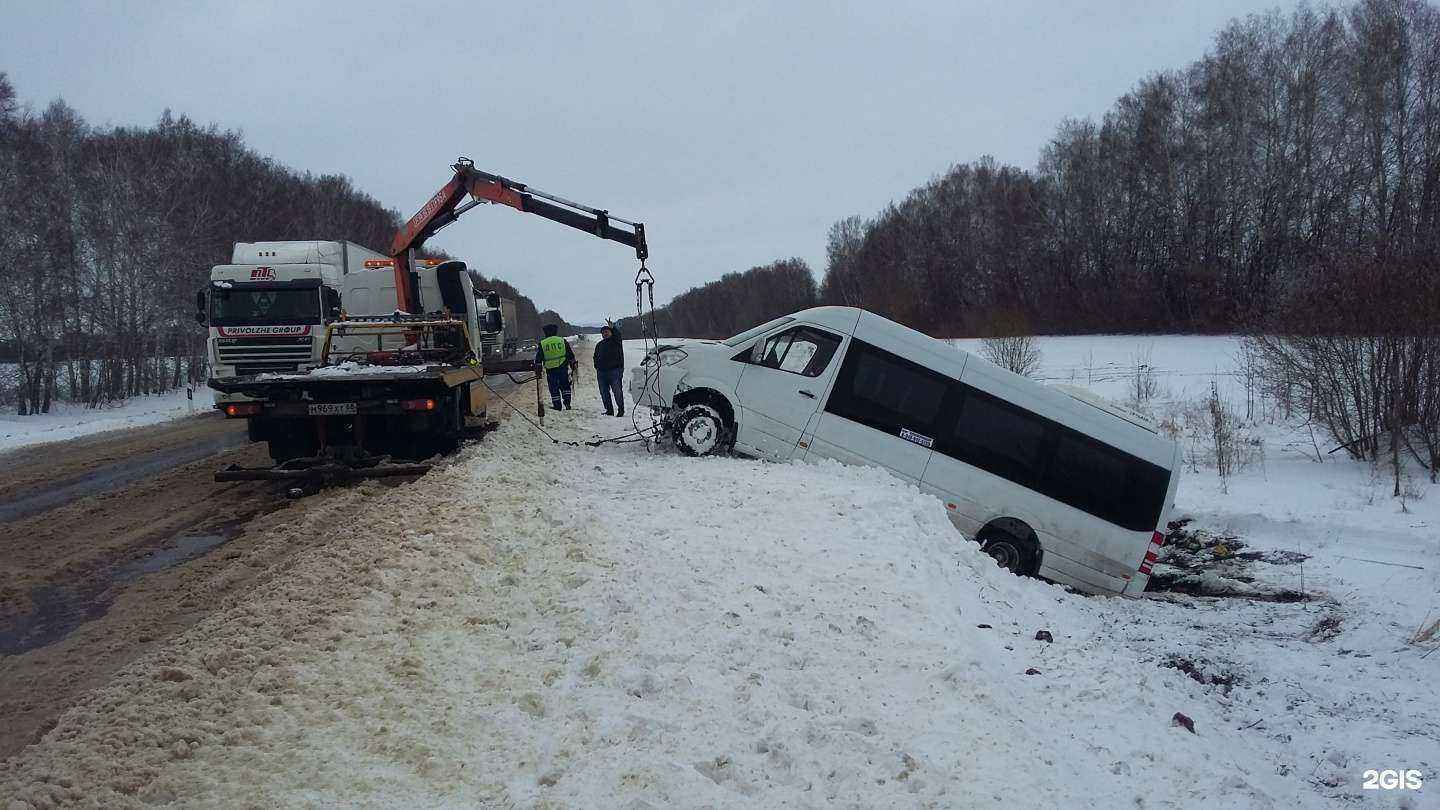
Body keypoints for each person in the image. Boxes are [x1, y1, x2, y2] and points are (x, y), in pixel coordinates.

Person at [534, 324, 578, 410]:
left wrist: (538, 369)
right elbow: (570, 354)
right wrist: (573, 365)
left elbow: (538, 358)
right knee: (565, 385)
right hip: (562, 367)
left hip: (551, 370)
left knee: (553, 387)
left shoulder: (543, 343)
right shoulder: (562, 340)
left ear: (545, 332)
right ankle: (567, 403)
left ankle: (557, 406)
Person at [593, 320, 625, 416]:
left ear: (611, 332)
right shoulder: (599, 345)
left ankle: (621, 410)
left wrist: (613, 327)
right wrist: (597, 366)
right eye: (603, 333)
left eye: (607, 332)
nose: (605, 334)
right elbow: (595, 356)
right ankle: (609, 410)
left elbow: (618, 335)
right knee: (604, 393)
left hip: (615, 371)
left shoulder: (616, 341)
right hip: (601, 372)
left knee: (617, 391)